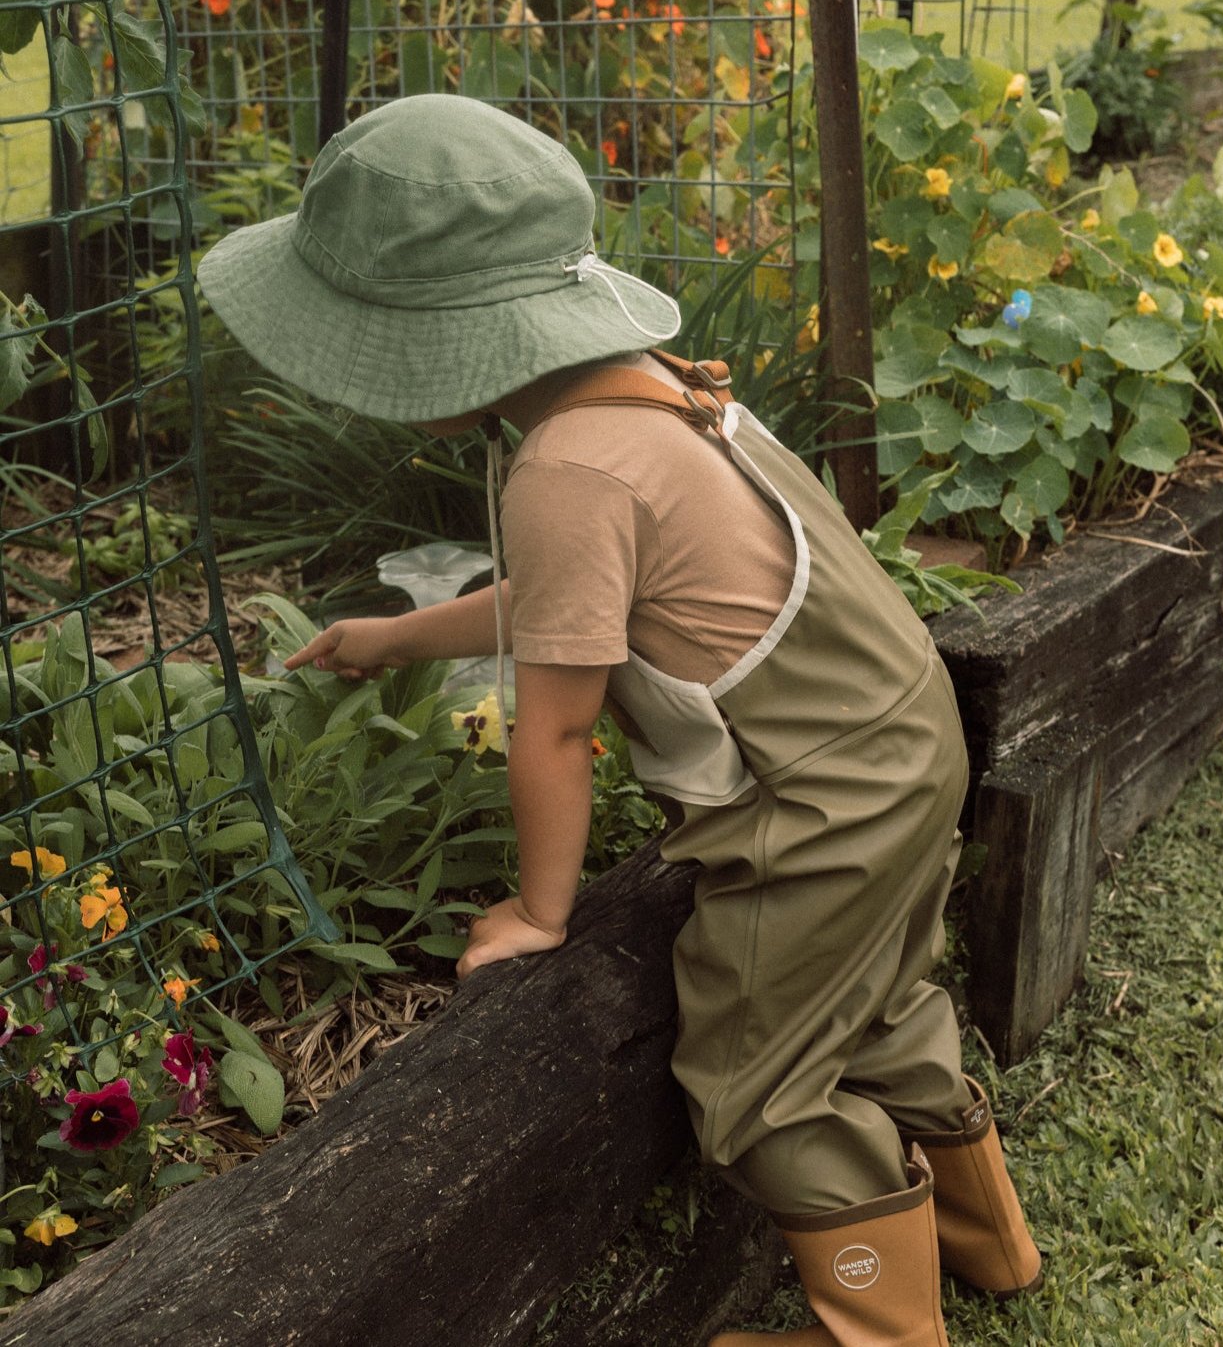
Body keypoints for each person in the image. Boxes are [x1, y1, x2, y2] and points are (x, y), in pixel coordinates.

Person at [198, 93, 1041, 1346]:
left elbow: (552, 729)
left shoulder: (566, 469)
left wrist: (542, 914)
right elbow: (572, 602)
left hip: (814, 806)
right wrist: (400, 635)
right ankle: (988, 1246)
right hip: (902, 750)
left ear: (451, 341)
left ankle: (881, 1330)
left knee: (758, 1073)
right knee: (877, 1004)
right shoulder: (656, 396)